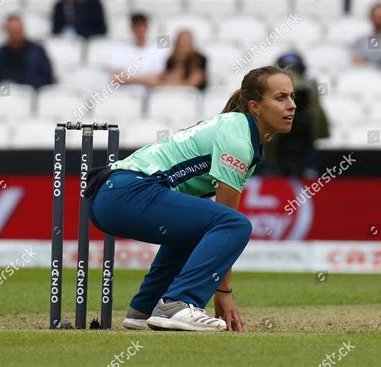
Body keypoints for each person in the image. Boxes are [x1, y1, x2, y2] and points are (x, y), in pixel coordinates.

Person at [83, 66, 296, 332]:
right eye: (281, 98)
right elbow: (227, 219)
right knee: (235, 224)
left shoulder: (238, 130)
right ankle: (178, 303)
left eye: (292, 96)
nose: (292, 105)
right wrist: (223, 292)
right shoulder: (238, 138)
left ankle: (145, 309)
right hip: (127, 190)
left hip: (110, 196)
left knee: (199, 225)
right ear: (255, 106)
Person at [262, 52, 329, 177]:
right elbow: (320, 124)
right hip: (299, 150)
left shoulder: (271, 89)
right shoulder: (309, 88)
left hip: (285, 150)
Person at [110, 13, 167, 88]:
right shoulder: (121, 49)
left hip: (150, 94)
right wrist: (145, 79)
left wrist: (127, 78)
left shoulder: (158, 50)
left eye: (141, 25)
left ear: (147, 27)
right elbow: (116, 78)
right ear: (131, 28)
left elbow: (157, 79)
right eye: (136, 26)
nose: (139, 29)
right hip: (126, 94)